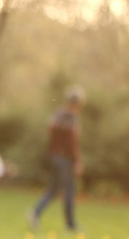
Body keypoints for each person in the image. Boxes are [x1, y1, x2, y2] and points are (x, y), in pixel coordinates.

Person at [28, 85, 85, 231]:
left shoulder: (57, 115)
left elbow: (51, 133)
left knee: (53, 189)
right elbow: (73, 142)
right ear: (77, 103)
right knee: (69, 190)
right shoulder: (72, 119)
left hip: (54, 156)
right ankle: (70, 224)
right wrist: (77, 161)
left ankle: (35, 213)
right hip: (65, 159)